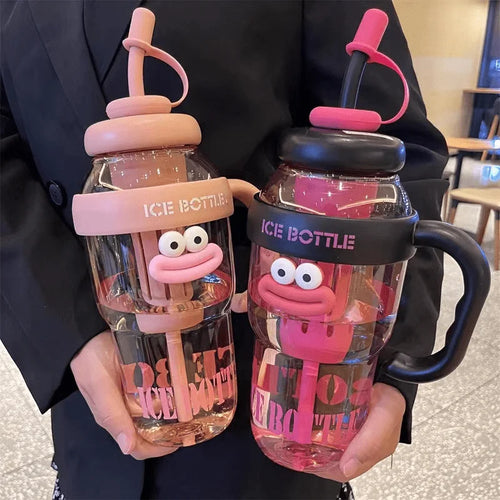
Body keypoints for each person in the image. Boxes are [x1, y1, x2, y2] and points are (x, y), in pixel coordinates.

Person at [0, 1, 448, 498]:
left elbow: (395, 158)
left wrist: (386, 358)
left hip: (279, 397)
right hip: (94, 375)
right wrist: (68, 333)